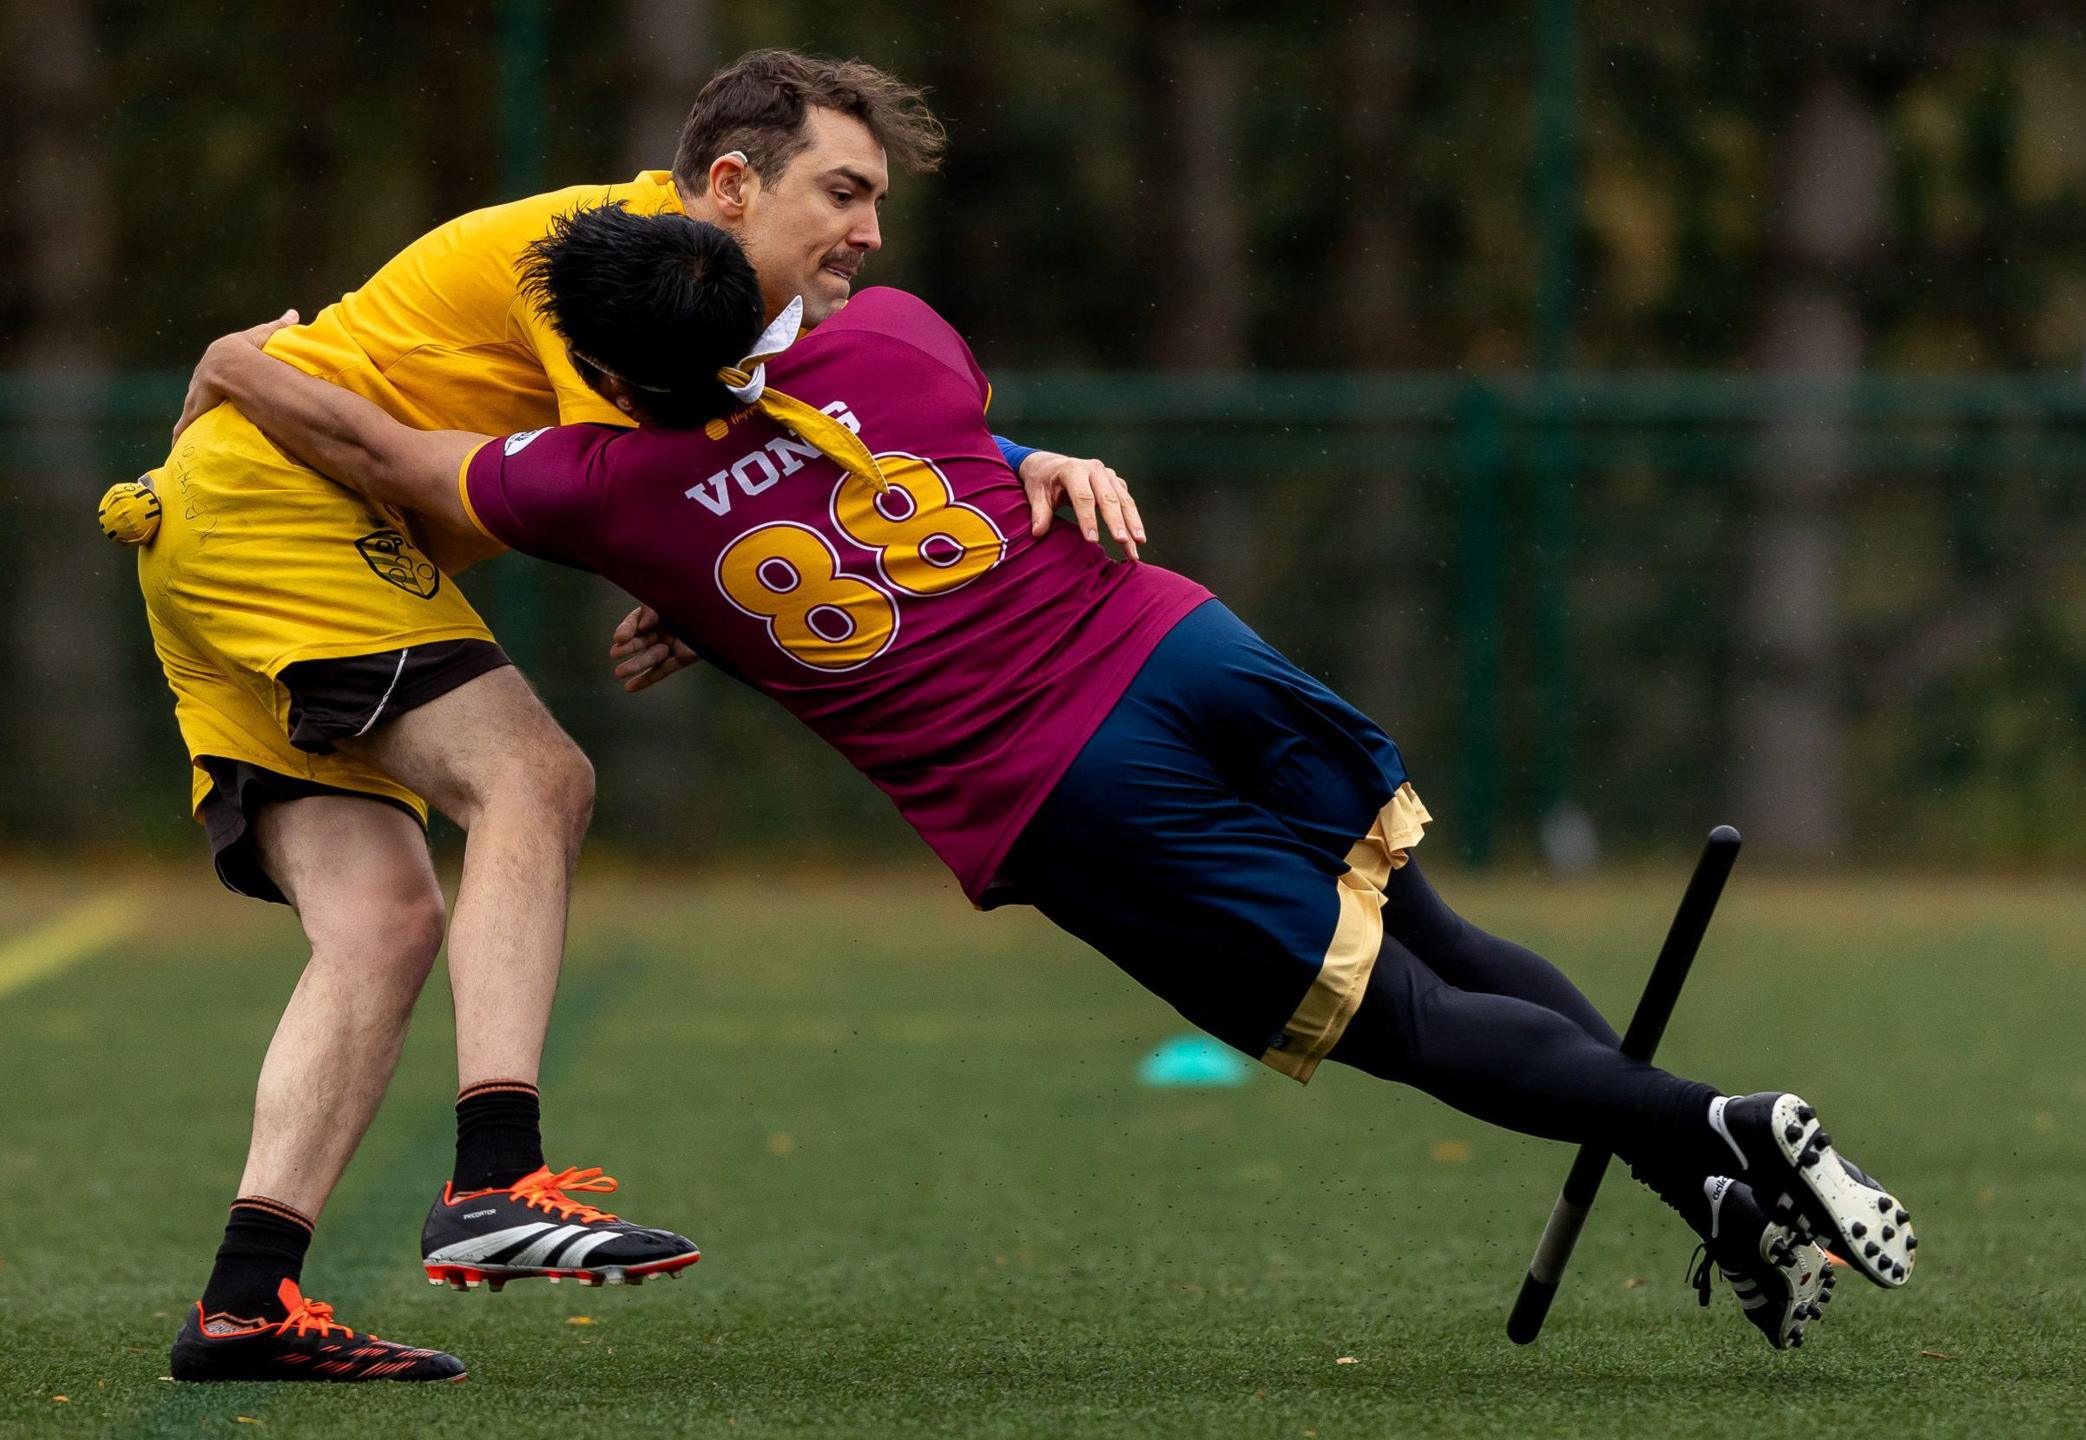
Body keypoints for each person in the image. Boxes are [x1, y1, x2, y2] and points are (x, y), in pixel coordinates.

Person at [183, 203, 1930, 1354]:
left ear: (618, 376)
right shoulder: (900, 340)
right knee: (1433, 919)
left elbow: (385, 445)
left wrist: (244, 359)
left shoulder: (601, 491)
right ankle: (1693, 1170)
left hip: (1063, 779)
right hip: (1178, 642)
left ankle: (1712, 1127)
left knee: (1397, 1020)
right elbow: (903, 415)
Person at [122, 51, 1142, 1385]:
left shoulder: (719, 307)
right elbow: (668, 484)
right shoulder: (600, 267)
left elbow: (817, 446)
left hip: (236, 522)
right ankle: (498, 1179)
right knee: (536, 783)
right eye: (843, 193)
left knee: (381, 919)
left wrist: (1025, 463)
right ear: (729, 185)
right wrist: (695, 583)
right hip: (281, 512)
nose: (868, 234)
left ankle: (245, 1304)